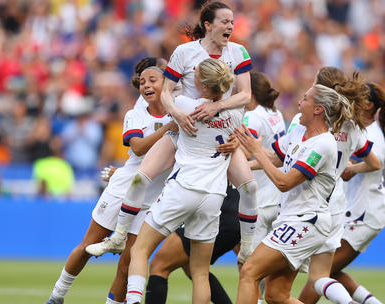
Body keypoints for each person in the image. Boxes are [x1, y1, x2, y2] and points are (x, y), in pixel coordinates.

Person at [87, 1, 258, 266]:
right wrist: (177, 116)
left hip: (219, 133)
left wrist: (219, 109)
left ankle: (247, 248)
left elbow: (245, 95)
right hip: (184, 129)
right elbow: (167, 92)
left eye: (232, 22)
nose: (231, 26)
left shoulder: (238, 52)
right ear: (208, 25)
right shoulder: (185, 52)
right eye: (225, 21)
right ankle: (119, 235)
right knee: (140, 178)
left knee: (249, 186)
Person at [33, 60, 178, 304]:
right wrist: (170, 128)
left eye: (153, 80)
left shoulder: (183, 107)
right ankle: (56, 297)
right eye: (142, 82)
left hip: (151, 201)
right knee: (88, 245)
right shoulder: (136, 114)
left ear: (171, 84)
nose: (147, 86)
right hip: (123, 188)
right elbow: (137, 149)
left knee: (127, 264)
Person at [206, 84, 358, 304]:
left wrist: (256, 150)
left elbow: (284, 182)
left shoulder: (324, 144)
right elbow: (276, 156)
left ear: (318, 109)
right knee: (277, 295)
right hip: (292, 219)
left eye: (305, 98)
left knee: (249, 269)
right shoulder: (299, 132)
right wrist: (236, 156)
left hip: (306, 221)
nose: (299, 102)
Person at [111, 58, 243, 304]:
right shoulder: (235, 113)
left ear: (202, 84)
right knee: (199, 271)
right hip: (213, 197)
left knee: (141, 249)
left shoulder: (183, 103)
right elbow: (239, 127)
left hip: (182, 189)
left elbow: (167, 92)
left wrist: (173, 70)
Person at [264, 67, 383, 304]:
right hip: (335, 205)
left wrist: (251, 154)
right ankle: (348, 302)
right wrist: (350, 169)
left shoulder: (307, 124)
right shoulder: (351, 126)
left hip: (304, 202)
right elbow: (375, 163)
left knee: (275, 276)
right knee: (319, 276)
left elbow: (283, 158)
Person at [308, 81, 385, 304]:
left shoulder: (372, 133)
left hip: (365, 213)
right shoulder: (361, 129)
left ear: (368, 104)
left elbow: (376, 163)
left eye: (358, 96)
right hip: (355, 210)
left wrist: (351, 168)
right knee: (329, 271)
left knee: (321, 273)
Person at [116, 183, 240, 304]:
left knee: (160, 265)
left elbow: (164, 166)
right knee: (194, 267)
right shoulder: (231, 156)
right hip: (234, 211)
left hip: (208, 204)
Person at [240, 71, 287, 304]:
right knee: (272, 272)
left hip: (259, 200)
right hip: (278, 198)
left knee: (249, 268)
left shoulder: (252, 117)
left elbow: (246, 153)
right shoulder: (275, 114)